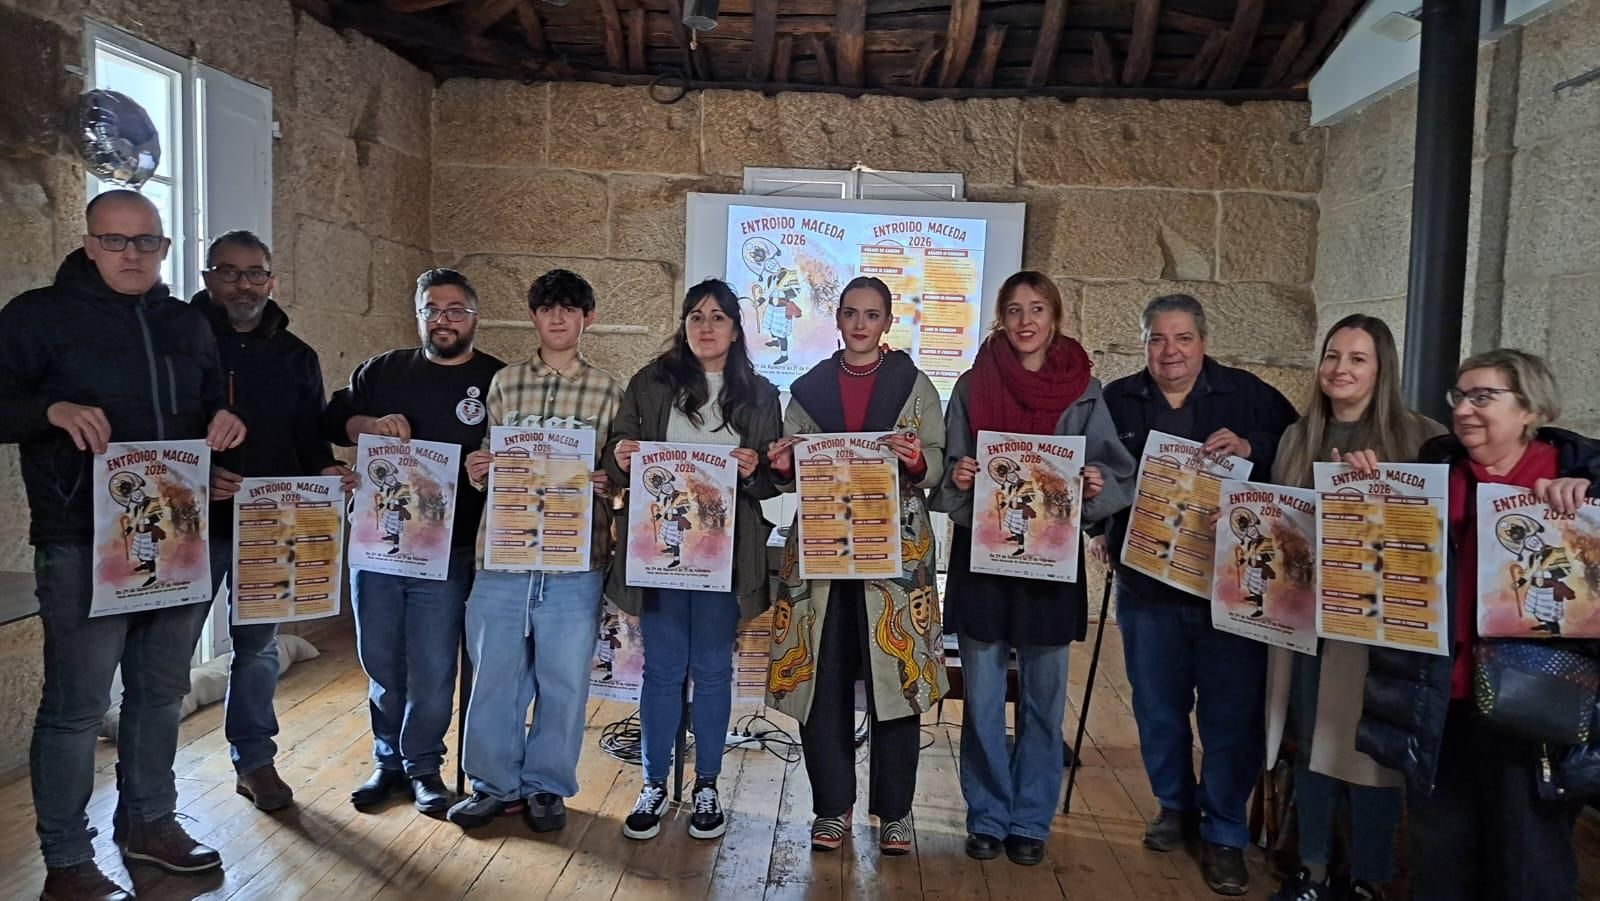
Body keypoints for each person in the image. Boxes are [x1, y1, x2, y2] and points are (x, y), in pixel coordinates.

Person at [0, 190, 247, 900]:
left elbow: (204, 407)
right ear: (88, 242)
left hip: (175, 538)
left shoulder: (185, 324)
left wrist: (225, 423)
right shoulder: (36, 316)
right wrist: (50, 409)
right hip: (79, 538)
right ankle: (67, 860)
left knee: (159, 692)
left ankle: (150, 822)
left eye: (148, 242)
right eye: (116, 241)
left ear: (165, 247)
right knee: (76, 706)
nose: (133, 255)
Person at [1357, 349, 1600, 901]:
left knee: (1528, 864)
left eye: (1483, 397)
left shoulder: (1578, 480)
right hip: (1440, 699)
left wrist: (1589, 507)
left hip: (1536, 709)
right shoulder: (1433, 474)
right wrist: (1365, 492)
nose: (1465, 409)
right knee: (1440, 856)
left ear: (1529, 409)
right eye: (1459, 396)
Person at [1087, 293, 1298, 896]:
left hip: (1229, 589)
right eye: (1157, 338)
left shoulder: (1247, 394)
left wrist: (1254, 447)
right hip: (1147, 583)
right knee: (1156, 707)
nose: (1169, 351)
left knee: (1231, 712)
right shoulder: (1119, 399)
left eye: (1181, 338)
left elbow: (1298, 451)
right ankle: (1175, 806)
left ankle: (1226, 830)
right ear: (1143, 343)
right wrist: (1102, 526)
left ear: (1202, 341)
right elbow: (1100, 474)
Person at [930, 271, 1136, 867]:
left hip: (1051, 562)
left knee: (1045, 699)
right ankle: (988, 815)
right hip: (983, 561)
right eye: (1015, 309)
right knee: (986, 697)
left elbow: (1109, 476)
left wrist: (1094, 486)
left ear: (1055, 317)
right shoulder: (973, 385)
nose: (1026, 321)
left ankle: (1030, 817)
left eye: (1037, 308)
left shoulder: (1085, 389)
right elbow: (948, 471)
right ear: (1001, 317)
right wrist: (962, 478)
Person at [1261, 315, 1445, 901]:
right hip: (1306, 615)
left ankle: (1369, 873)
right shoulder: (1297, 436)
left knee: (1373, 752)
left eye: (1357, 358)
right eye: (1333, 356)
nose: (1341, 369)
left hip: (1378, 623)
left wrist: (1381, 488)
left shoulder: (1420, 437)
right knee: (1314, 739)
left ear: (1381, 368)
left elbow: (1433, 534)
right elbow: (1281, 522)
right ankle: (1311, 868)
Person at [765, 276, 947, 857]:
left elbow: (937, 457)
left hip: (891, 562)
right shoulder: (810, 388)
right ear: (838, 320)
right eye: (851, 313)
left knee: (895, 681)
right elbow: (786, 457)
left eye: (872, 314)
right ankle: (830, 806)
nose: (861, 324)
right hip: (821, 557)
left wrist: (919, 460)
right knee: (823, 680)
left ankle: (894, 812)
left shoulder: (914, 386)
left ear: (886, 322)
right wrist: (783, 460)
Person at [605, 279, 784, 842]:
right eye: (695, 316)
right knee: (660, 671)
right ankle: (654, 783)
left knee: (710, 671)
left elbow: (772, 484)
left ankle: (706, 783)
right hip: (658, 552)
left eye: (718, 318)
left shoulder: (760, 394)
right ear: (684, 325)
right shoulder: (650, 382)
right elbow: (619, 449)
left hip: (724, 559)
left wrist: (756, 468)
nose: (705, 327)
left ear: (735, 329)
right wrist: (621, 453)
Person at [323, 268, 505, 817]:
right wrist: (368, 425)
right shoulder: (382, 370)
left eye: (454, 310)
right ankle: (389, 764)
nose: (442, 320)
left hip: (448, 553)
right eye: (431, 309)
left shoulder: (496, 379)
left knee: (431, 666)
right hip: (376, 545)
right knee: (380, 659)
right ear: (418, 314)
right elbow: (333, 419)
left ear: (474, 316)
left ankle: (425, 766)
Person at [446, 269, 622, 833]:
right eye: (547, 308)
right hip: (504, 556)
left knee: (564, 679)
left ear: (587, 318)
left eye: (570, 309)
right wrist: (478, 469)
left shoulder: (609, 390)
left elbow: (619, 471)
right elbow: (486, 455)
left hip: (576, 562)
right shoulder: (504, 384)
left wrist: (607, 481)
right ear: (533, 316)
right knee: (495, 674)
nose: (558, 318)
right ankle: (494, 785)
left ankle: (548, 786)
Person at [197, 230, 355, 814]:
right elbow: (153, 427)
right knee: (166, 657)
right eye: (229, 271)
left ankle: (255, 760)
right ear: (208, 276)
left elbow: (307, 435)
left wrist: (325, 468)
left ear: (272, 280)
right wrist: (196, 474)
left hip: (268, 524)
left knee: (258, 650)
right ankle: (150, 785)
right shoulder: (178, 343)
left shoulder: (296, 355)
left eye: (255, 273)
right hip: (191, 523)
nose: (243, 284)